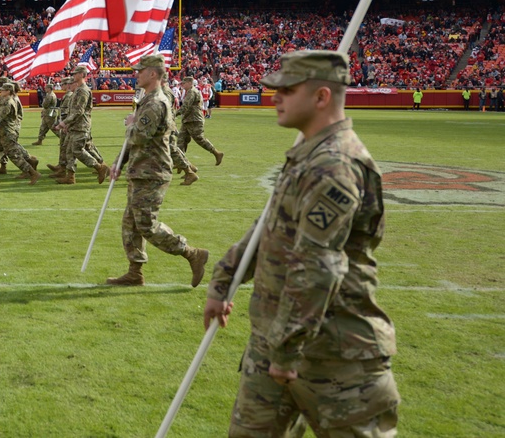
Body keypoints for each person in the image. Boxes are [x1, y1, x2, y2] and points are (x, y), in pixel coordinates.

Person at [204, 50, 399, 436]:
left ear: (321, 97)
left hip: (334, 353)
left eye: (287, 90)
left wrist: (287, 348)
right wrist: (223, 280)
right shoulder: (307, 156)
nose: (274, 97)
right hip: (274, 341)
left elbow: (318, 266)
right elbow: (268, 228)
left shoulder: (335, 166)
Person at [106, 55, 208, 287]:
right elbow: (134, 143)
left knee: (146, 224)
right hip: (140, 170)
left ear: (153, 74)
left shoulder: (155, 103)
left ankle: (192, 253)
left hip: (151, 172)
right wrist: (118, 163)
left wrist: (131, 122)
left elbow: (140, 136)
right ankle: (135, 272)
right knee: (131, 223)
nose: (136, 74)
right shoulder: (147, 99)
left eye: (140, 71)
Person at [0, 81, 39, 185]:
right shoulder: (6, 100)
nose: (1, 91)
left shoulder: (8, 102)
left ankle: (32, 173)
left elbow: (0, 118)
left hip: (7, 133)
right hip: (2, 132)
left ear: (8, 91)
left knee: (14, 156)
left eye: (3, 90)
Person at [56, 65, 109, 184]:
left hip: (81, 126)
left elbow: (79, 111)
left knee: (77, 150)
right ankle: (70, 176)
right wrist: (68, 125)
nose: (74, 75)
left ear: (81, 75)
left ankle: (99, 167)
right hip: (75, 125)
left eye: (76, 74)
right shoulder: (78, 90)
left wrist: (64, 123)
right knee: (69, 150)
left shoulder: (83, 90)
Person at [176, 76, 224, 170]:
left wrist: (174, 114)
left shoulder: (192, 92)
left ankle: (216, 153)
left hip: (194, 120)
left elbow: (186, 106)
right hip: (188, 120)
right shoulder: (190, 91)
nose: (182, 85)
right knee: (181, 140)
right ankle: (180, 162)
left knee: (199, 139)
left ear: (190, 83)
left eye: (184, 83)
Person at [33, 81, 59, 145]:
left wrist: (43, 104)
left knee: (53, 128)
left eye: (46, 88)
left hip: (49, 114)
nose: (45, 89)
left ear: (49, 88)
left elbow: (45, 105)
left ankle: (64, 139)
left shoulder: (50, 95)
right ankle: (40, 140)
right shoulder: (50, 94)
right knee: (43, 128)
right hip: (48, 113)